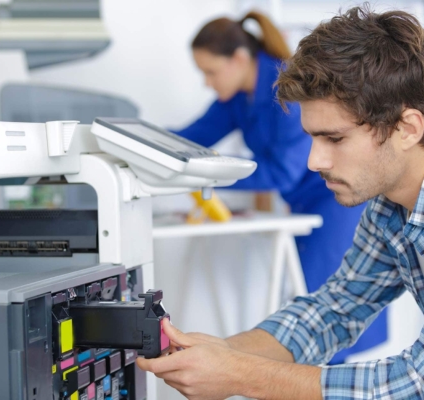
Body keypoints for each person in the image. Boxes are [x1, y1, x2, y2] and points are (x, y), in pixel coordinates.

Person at [138, 5, 424, 399]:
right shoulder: (387, 210)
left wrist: (240, 374)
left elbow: (413, 382)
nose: (313, 161)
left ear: (407, 129)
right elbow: (333, 310)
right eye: (312, 138)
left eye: (334, 139)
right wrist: (224, 351)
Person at [172, 10, 386, 362]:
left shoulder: (285, 89)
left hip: (334, 204)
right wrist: (140, 140)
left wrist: (211, 176)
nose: (207, 83)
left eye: (210, 72)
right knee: (313, 307)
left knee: (330, 308)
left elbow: (284, 173)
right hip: (300, 204)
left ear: (240, 59)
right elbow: (191, 138)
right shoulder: (237, 99)